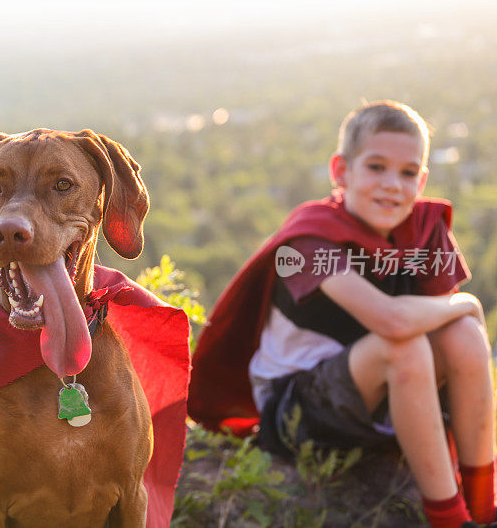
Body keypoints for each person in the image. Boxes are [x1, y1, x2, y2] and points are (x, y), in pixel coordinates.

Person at [188, 100, 495, 528]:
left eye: (408, 173)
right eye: (376, 167)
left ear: (422, 180)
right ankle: (449, 520)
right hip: (297, 412)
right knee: (405, 345)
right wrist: (470, 303)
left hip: (380, 393)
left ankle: (483, 508)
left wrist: (462, 317)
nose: (392, 185)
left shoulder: (423, 230)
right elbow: (393, 322)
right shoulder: (309, 242)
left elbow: (447, 334)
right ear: (340, 171)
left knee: (462, 336)